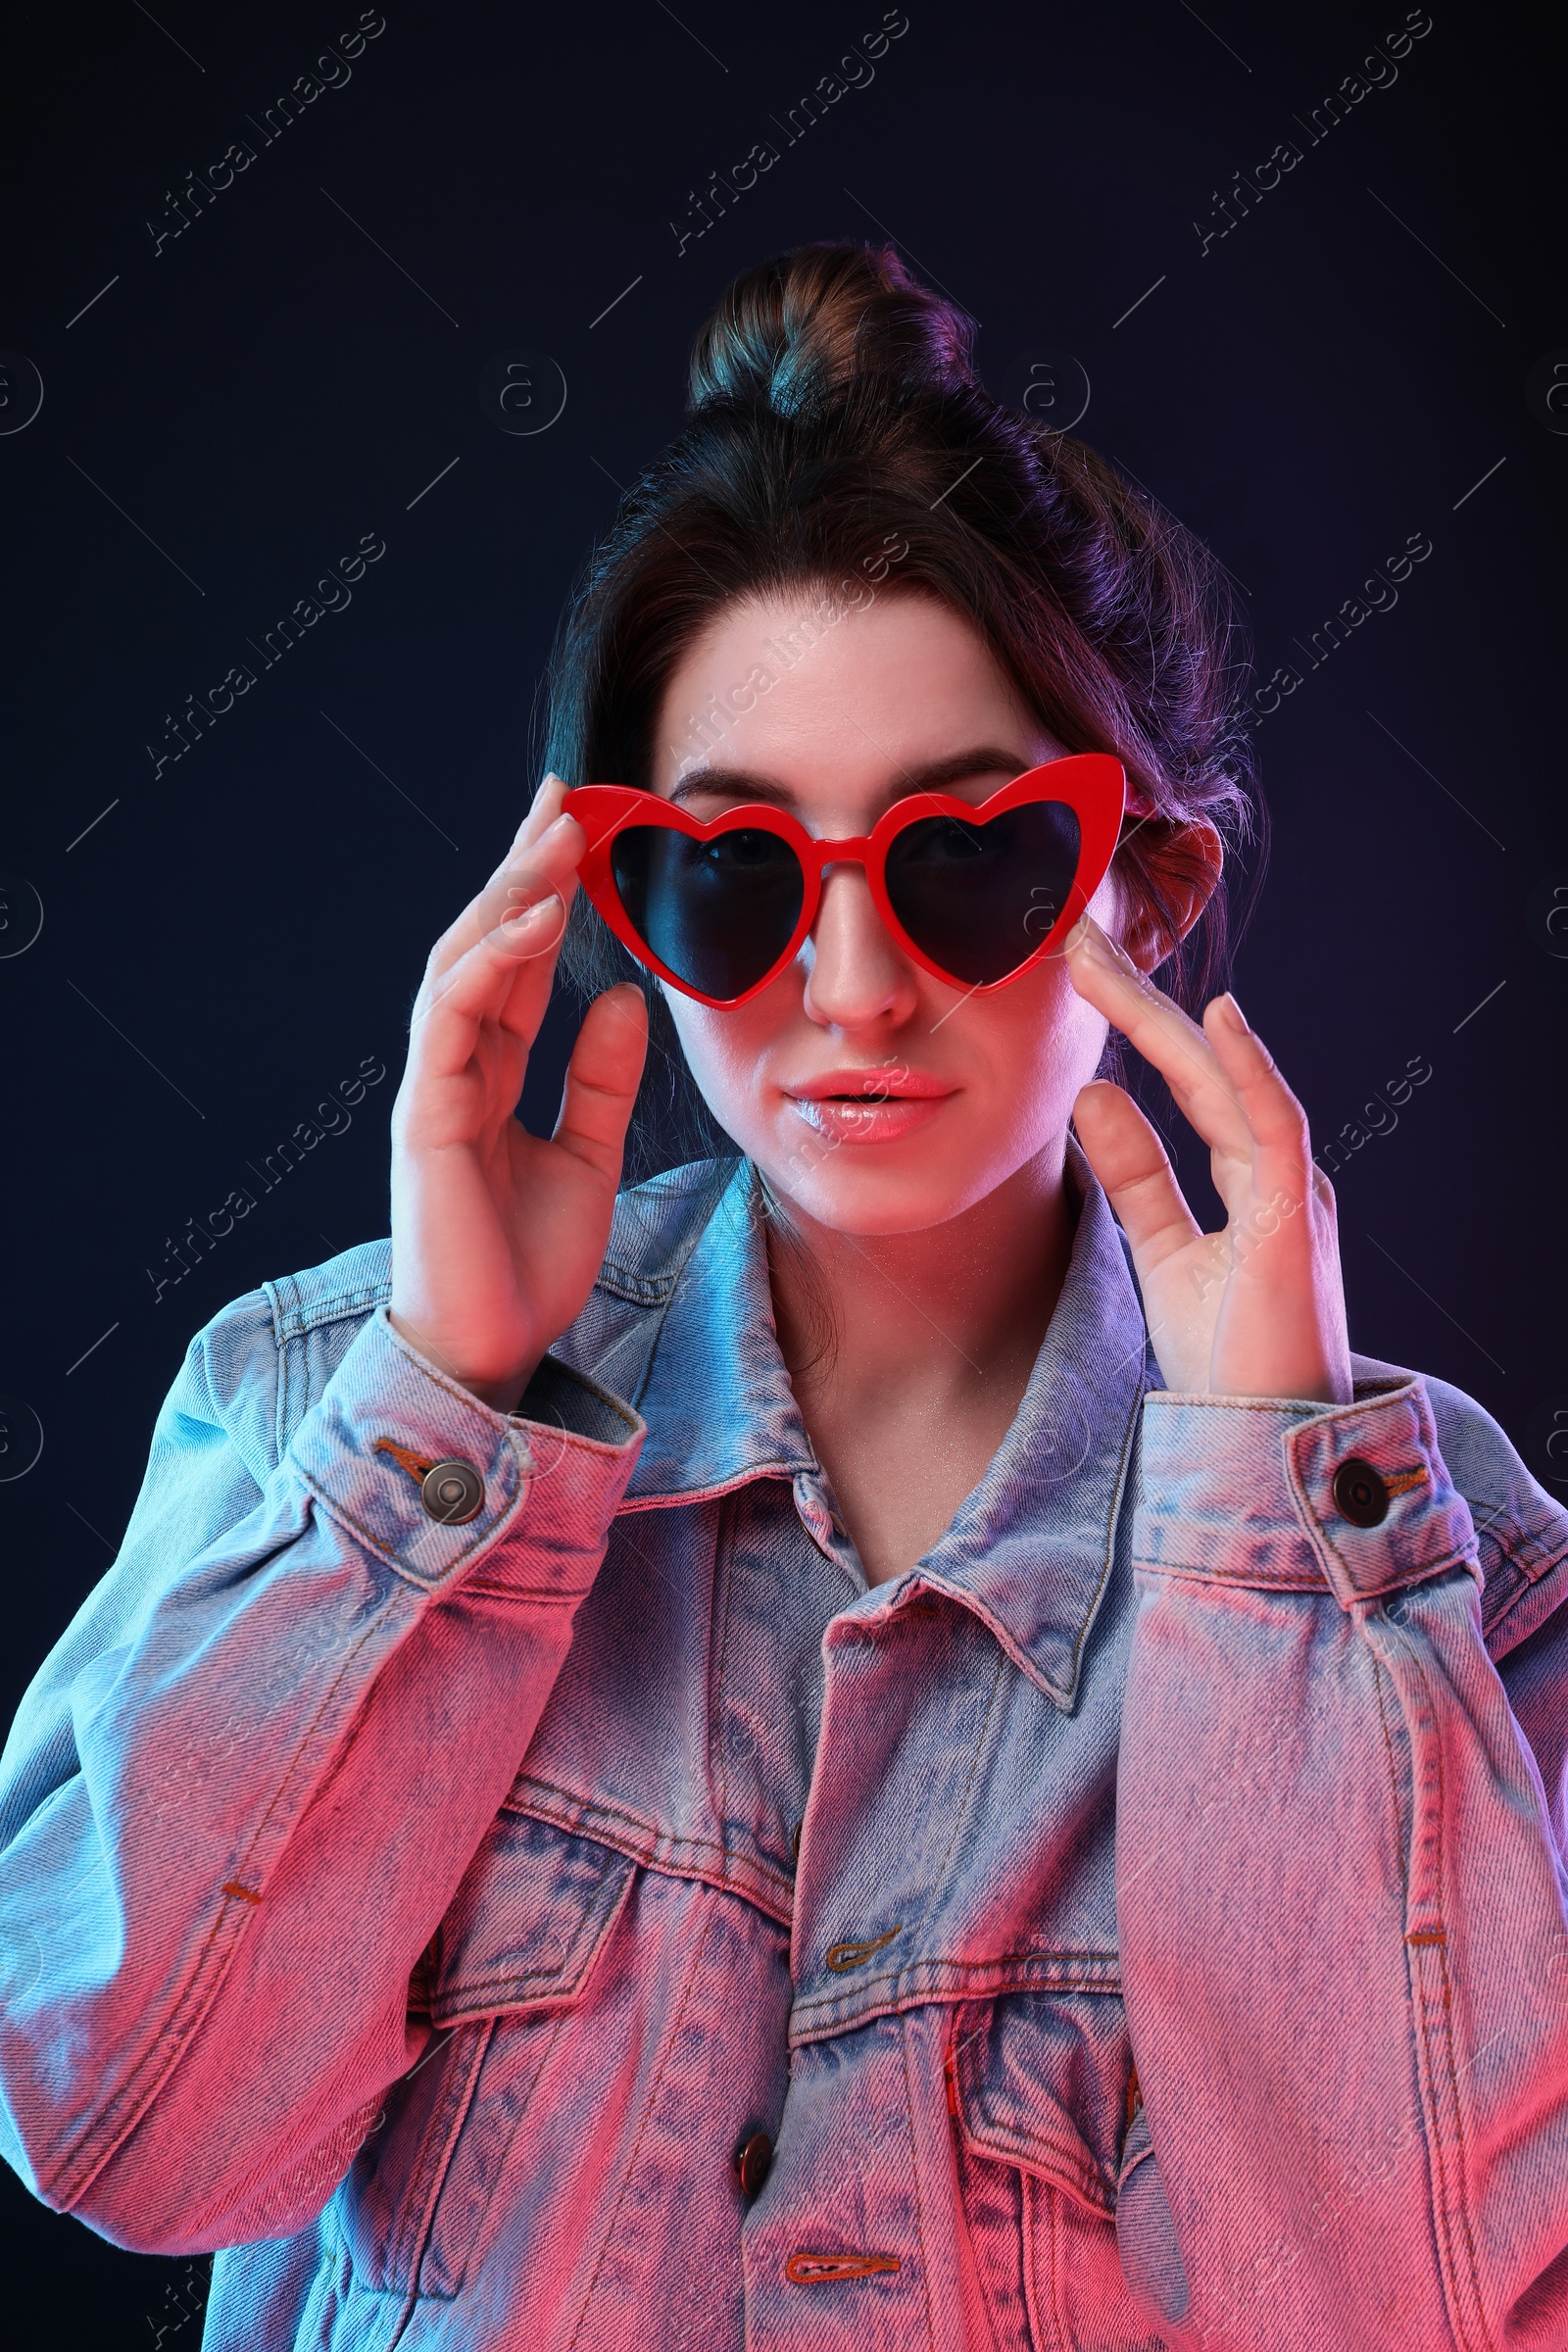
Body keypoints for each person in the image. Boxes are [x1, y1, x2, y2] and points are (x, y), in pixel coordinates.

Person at [2, 243, 1565, 2352]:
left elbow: (1401, 2311)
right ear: (605, 905)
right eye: (732, 868)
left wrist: (1268, 1520)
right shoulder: (317, 1409)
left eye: (969, 856)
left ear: (1145, 888)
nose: (848, 987)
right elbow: (132, 2142)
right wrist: (440, 1422)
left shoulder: (1445, 1563)